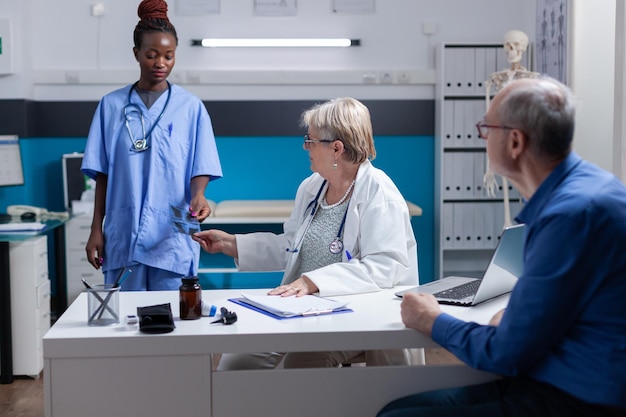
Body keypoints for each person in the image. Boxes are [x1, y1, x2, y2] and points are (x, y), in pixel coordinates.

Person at [377, 77, 626, 417]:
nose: (482, 137)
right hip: (568, 374)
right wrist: (517, 318)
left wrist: (432, 319)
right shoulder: (594, 188)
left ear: (514, 141)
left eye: (486, 128)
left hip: (578, 397)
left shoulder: (567, 216)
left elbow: (506, 353)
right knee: (398, 407)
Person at [193, 97, 419, 369]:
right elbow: (293, 246)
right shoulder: (313, 187)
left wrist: (313, 282)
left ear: (337, 148)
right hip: (302, 309)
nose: (305, 146)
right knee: (237, 362)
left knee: (302, 363)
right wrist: (231, 244)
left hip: (356, 313)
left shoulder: (379, 193)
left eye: (311, 141)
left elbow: (384, 267)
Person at [81, 0, 222, 291]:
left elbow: (200, 163)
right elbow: (103, 175)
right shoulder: (111, 106)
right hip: (123, 226)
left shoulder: (191, 108)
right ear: (137, 54)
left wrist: (199, 196)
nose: (161, 63)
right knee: (126, 324)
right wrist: (96, 229)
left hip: (175, 227)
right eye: (152, 55)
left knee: (174, 320)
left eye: (169, 56)